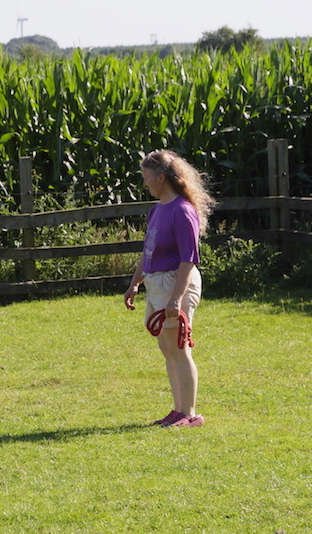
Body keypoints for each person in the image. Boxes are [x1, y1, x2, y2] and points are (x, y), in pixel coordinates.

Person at [124, 149, 216, 428]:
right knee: (167, 347)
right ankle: (178, 411)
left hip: (175, 282)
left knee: (179, 348)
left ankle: (190, 414)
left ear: (161, 177)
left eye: (146, 177)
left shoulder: (183, 212)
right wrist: (134, 283)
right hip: (156, 281)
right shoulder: (157, 210)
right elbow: (148, 251)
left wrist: (176, 298)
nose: (144, 183)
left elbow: (189, 260)